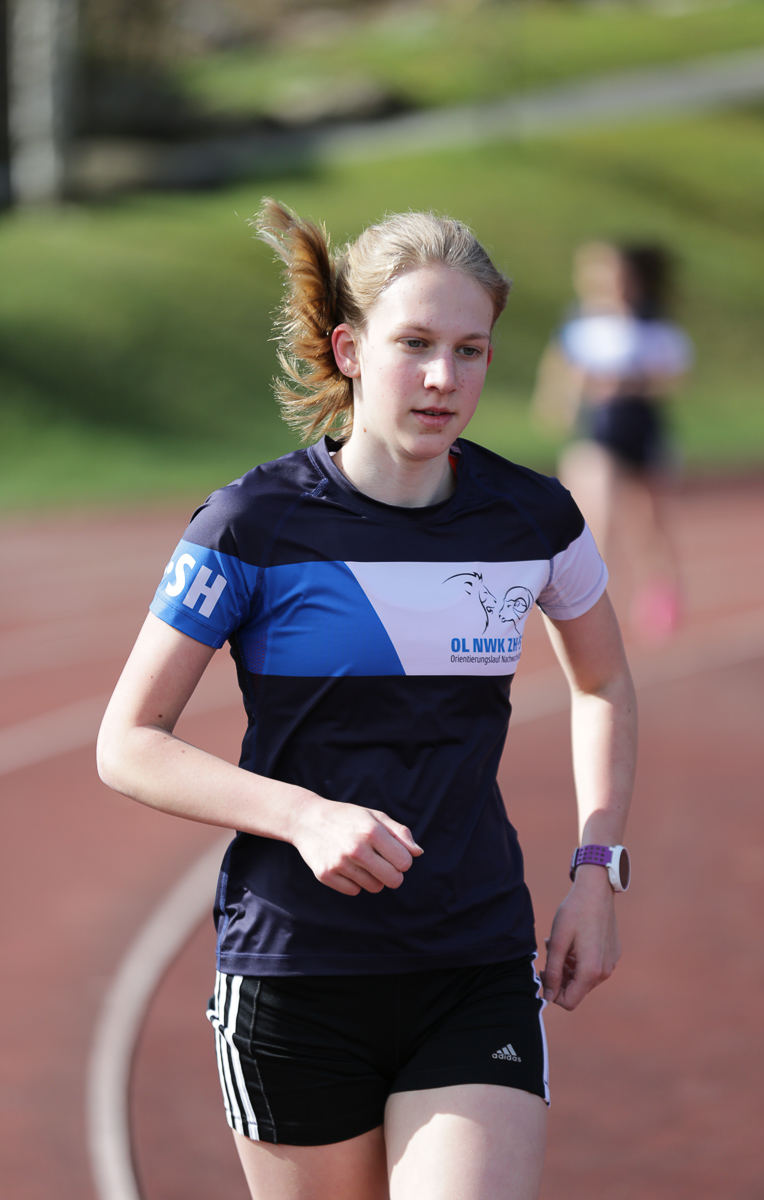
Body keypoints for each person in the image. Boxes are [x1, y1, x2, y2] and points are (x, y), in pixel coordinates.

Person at [97, 200, 637, 1200]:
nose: (443, 379)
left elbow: (602, 681)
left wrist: (596, 870)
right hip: (295, 973)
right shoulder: (250, 524)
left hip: (472, 958)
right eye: (414, 344)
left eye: (469, 351)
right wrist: (305, 817)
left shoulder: (533, 519)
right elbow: (128, 741)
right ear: (349, 350)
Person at [532, 240, 693, 641]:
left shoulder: (653, 325)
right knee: (594, 516)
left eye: (617, 275)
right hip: (595, 434)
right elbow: (558, 369)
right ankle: (589, 604)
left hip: (642, 432)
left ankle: (660, 590)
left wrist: (627, 384)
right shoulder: (578, 325)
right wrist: (557, 401)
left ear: (634, 279)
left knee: (647, 524)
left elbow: (671, 380)